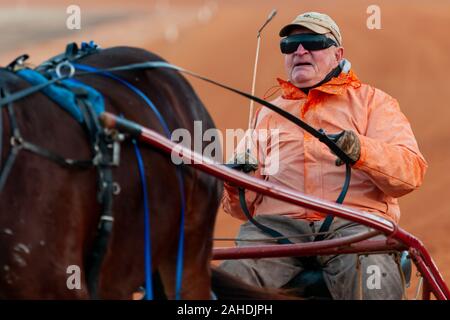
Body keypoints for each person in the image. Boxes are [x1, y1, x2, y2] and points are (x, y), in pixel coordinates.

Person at [220, 11, 428, 299]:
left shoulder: (373, 103)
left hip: (355, 226)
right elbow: (241, 210)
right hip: (276, 232)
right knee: (225, 287)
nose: (300, 50)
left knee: (371, 285)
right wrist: (236, 182)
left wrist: (361, 150)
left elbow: (410, 173)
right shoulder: (266, 115)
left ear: (337, 53)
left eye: (312, 42)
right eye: (290, 45)